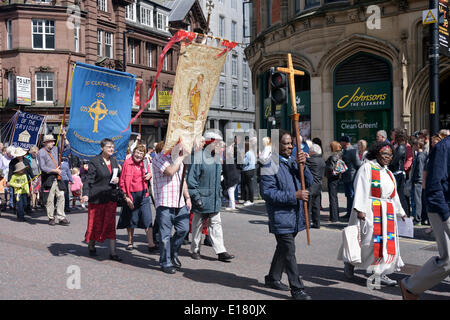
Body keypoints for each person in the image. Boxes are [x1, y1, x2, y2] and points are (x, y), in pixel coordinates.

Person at [338, 141, 407, 286]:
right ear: (376, 153)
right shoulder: (367, 167)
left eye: (390, 154)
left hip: (386, 211)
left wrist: (400, 211)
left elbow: (393, 195)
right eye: (384, 154)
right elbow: (361, 187)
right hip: (370, 209)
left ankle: (380, 273)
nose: (387, 157)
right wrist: (360, 209)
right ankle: (350, 262)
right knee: (367, 242)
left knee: (385, 243)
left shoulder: (388, 172)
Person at [260, 130, 314, 300]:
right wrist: (294, 195)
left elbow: (310, 181)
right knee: (289, 251)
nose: (290, 146)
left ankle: (272, 278)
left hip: (296, 215)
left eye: (291, 143)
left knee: (282, 249)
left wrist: (303, 166)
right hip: (281, 216)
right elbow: (267, 193)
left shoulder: (293, 161)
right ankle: (297, 289)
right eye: (286, 143)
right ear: (276, 145)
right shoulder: (269, 164)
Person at [399, 135, 450, 299]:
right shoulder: (444, 147)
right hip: (443, 209)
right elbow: (434, 184)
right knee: (447, 260)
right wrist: (445, 214)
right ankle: (410, 286)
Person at [187, 132, 235, 262]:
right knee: (197, 225)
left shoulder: (216, 158)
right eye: (217, 143)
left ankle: (220, 251)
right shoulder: (198, 157)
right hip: (201, 197)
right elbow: (191, 180)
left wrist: (220, 193)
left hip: (214, 198)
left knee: (216, 224)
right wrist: (195, 197)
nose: (220, 145)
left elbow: (218, 179)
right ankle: (195, 249)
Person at [152, 141, 192, 274]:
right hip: (165, 202)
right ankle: (166, 261)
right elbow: (170, 171)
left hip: (179, 201)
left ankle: (173, 251)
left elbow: (182, 180)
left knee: (184, 229)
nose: (179, 148)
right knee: (165, 235)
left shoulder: (177, 159)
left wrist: (187, 197)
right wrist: (181, 157)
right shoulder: (158, 158)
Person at [82, 138, 122, 261]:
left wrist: (118, 180)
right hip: (97, 198)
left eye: (112, 147)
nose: (111, 149)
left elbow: (117, 176)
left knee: (110, 225)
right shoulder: (95, 161)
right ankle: (92, 245)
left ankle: (113, 252)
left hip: (111, 197)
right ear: (102, 148)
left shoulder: (114, 161)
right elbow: (89, 179)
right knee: (95, 224)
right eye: (109, 147)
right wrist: (85, 194)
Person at [117, 144, 157, 252]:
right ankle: (130, 242)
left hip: (143, 194)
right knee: (131, 219)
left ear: (144, 155)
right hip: (131, 195)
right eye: (137, 152)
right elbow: (122, 182)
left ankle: (151, 243)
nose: (138, 155)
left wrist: (150, 175)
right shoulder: (127, 163)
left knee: (147, 218)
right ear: (133, 152)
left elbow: (150, 174)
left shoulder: (145, 163)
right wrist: (126, 197)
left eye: (141, 153)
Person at [38, 134, 70, 225]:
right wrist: (54, 170)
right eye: (51, 141)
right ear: (46, 143)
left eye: (53, 141)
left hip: (58, 177)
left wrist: (65, 137)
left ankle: (61, 217)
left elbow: (67, 147)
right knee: (50, 199)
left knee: (61, 196)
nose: (53, 142)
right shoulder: (41, 152)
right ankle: (51, 217)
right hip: (48, 178)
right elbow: (43, 167)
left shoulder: (56, 149)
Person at [340, 135, 362, 220]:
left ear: (345, 142)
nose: (340, 143)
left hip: (351, 176)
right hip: (346, 175)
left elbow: (357, 163)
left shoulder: (352, 150)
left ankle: (352, 213)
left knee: (351, 195)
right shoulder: (344, 150)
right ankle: (349, 212)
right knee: (348, 195)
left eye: (341, 141)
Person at [388, 129, 409, 215]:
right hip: (396, 172)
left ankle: (405, 214)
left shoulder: (401, 147)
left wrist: (388, 162)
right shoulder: (397, 146)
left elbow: (395, 160)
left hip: (398, 173)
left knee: (400, 195)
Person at [306, 143, 325, 229]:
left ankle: (307, 223)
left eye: (309, 150)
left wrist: (306, 157)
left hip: (310, 186)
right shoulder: (321, 160)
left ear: (312, 152)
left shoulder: (311, 160)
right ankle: (317, 223)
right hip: (318, 186)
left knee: (308, 207)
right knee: (316, 206)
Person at [325, 141, 342, 222]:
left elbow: (331, 168)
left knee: (332, 198)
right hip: (336, 178)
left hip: (332, 179)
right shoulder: (338, 155)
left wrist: (326, 164)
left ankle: (334, 218)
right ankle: (334, 216)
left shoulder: (333, 157)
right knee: (334, 197)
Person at [410, 140, 426, 225]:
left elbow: (420, 169)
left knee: (418, 200)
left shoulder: (420, 156)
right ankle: (419, 217)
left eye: (414, 145)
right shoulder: (420, 155)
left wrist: (418, 180)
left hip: (418, 181)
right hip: (418, 180)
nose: (413, 147)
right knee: (418, 200)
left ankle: (417, 218)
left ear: (418, 145)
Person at [223, 139, 240, 211]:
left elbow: (226, 172)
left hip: (232, 178)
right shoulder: (231, 160)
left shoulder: (227, 161)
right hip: (235, 177)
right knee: (231, 191)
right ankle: (231, 204)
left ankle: (232, 205)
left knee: (230, 191)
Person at [241, 139, 256, 206]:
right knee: (249, 185)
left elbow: (244, 162)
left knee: (247, 186)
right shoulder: (252, 152)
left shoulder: (247, 153)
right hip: (251, 170)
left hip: (247, 170)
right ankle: (250, 200)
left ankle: (249, 200)